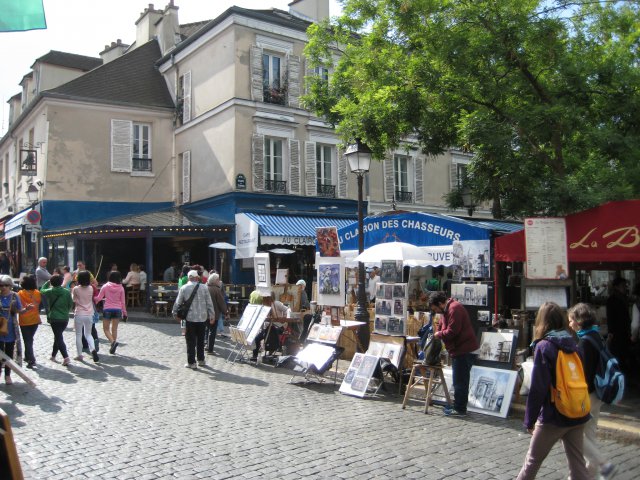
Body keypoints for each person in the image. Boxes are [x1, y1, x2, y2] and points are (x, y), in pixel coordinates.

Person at [516, 302, 590, 480]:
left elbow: (538, 388)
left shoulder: (544, 346)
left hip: (554, 415)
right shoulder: (574, 344)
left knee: (531, 462)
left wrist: (530, 419)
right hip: (577, 410)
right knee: (577, 464)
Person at [568, 303, 617, 479]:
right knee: (589, 433)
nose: (570, 324)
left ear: (578, 321)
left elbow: (584, 374)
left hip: (588, 394)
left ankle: (604, 464)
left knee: (572, 433)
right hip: (598, 393)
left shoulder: (585, 342)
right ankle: (589, 474)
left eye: (571, 320)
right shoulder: (596, 335)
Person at [429, 291, 479, 416]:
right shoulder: (446, 310)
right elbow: (442, 325)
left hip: (464, 350)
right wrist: (438, 331)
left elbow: (453, 331)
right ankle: (458, 406)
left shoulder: (454, 309)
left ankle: (460, 409)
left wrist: (439, 334)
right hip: (458, 349)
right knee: (459, 380)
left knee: (460, 381)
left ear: (440, 303)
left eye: (436, 308)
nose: (436, 311)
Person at [172, 270, 214, 369]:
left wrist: (174, 314)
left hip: (190, 318)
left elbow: (178, 303)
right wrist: (212, 315)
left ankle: (192, 362)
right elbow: (209, 302)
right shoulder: (204, 287)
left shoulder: (184, 288)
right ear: (197, 277)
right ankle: (201, 360)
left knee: (190, 341)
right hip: (202, 318)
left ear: (189, 277)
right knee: (201, 340)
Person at [0, 274, 30, 384]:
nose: (3, 287)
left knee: (8, 352)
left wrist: (26, 309)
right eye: (1, 285)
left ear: (10, 286)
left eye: (6, 285)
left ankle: (7, 375)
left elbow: (19, 310)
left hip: (10, 327)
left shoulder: (14, 296)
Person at [40, 274, 74, 366]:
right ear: (61, 282)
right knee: (58, 336)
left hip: (54, 318)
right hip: (64, 318)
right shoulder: (66, 292)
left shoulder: (50, 291)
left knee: (58, 337)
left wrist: (47, 282)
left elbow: (41, 290)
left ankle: (66, 357)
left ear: (52, 283)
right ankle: (53, 355)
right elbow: (70, 304)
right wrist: (65, 311)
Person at [94, 271, 127, 355]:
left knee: (106, 329)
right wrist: (125, 313)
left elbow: (99, 298)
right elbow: (123, 302)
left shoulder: (105, 286)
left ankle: (113, 342)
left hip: (107, 309)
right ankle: (113, 346)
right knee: (114, 329)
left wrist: (93, 298)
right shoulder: (121, 288)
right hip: (118, 309)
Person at [72, 271, 100, 363]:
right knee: (88, 334)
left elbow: (73, 299)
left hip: (79, 313)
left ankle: (79, 355)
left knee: (78, 335)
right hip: (89, 313)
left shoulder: (76, 289)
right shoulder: (91, 288)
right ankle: (93, 349)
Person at [251, 295, 289, 362]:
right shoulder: (263, 306)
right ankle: (255, 356)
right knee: (257, 338)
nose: (265, 301)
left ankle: (270, 352)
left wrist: (284, 317)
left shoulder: (277, 303)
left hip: (278, 326)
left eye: (266, 300)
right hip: (267, 328)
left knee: (270, 335)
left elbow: (287, 309)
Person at [606, 277, 631, 373]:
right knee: (618, 354)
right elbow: (610, 317)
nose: (625, 288)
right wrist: (610, 332)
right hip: (617, 332)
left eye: (625, 285)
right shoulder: (612, 300)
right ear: (616, 287)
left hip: (625, 330)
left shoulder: (624, 298)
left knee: (624, 353)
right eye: (623, 286)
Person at [17, 274, 42, 369]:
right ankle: (27, 356)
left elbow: (18, 306)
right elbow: (39, 304)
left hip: (24, 320)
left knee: (27, 340)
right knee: (30, 339)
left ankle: (31, 359)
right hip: (35, 319)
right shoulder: (37, 293)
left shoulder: (20, 293)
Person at [206, 273, 228, 356]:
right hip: (214, 314)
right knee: (212, 331)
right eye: (218, 280)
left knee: (206, 330)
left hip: (204, 313)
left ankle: (206, 345)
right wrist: (226, 312)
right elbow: (221, 303)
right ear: (215, 281)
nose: (219, 281)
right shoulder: (216, 290)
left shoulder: (205, 287)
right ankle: (210, 349)